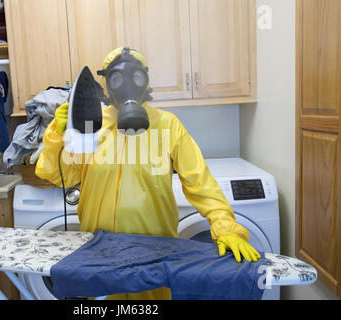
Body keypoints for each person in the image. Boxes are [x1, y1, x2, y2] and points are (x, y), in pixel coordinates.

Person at [36, 47, 261, 300]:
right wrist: (59, 133)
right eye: (117, 78)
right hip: (100, 251)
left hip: (156, 252)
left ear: (146, 79)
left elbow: (201, 182)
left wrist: (226, 227)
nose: (127, 85)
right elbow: (56, 174)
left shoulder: (168, 125)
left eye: (136, 77)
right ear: (106, 83)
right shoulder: (92, 124)